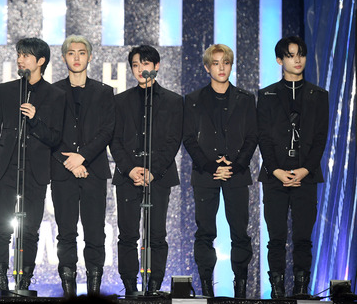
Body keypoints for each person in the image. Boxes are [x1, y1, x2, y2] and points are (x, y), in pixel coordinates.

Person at [0, 37, 66, 295]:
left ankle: (23, 283)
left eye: (26, 55)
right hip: (6, 168)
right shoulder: (5, 90)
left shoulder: (55, 95)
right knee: (1, 228)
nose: (20, 59)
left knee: (29, 231)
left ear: (40, 61)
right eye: (19, 54)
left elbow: (55, 137)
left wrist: (35, 119)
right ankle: (0, 283)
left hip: (36, 171)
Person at [182, 44, 256, 298]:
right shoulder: (192, 100)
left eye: (225, 62)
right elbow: (189, 139)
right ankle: (206, 289)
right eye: (216, 63)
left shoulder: (246, 99)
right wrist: (212, 166)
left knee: (240, 232)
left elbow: (252, 137)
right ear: (207, 67)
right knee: (205, 232)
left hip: (237, 174)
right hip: (206, 174)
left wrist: (234, 166)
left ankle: (241, 289)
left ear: (231, 65)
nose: (221, 67)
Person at [257, 36, 328, 299]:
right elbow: (263, 136)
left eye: (300, 54)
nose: (297, 60)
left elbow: (321, 137)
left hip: (306, 176)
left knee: (302, 238)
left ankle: (301, 290)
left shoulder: (319, 95)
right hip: (275, 176)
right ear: (280, 60)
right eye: (290, 55)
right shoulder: (266, 95)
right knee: (276, 238)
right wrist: (276, 170)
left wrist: (305, 170)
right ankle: (277, 290)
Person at [110, 45, 183, 295]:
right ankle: (130, 286)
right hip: (127, 176)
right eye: (136, 65)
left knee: (156, 235)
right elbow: (114, 140)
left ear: (157, 66)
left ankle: (153, 286)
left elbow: (174, 140)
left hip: (159, 177)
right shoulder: (119, 101)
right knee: (128, 234)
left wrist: (152, 171)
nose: (141, 69)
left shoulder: (174, 101)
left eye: (146, 63)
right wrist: (130, 169)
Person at [51, 35, 115, 297]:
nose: (76, 57)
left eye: (81, 53)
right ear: (64, 57)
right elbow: (47, 133)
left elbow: (107, 130)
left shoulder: (104, 91)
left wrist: (83, 157)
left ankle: (94, 292)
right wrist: (70, 161)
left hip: (94, 171)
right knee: (65, 233)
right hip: (63, 172)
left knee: (95, 233)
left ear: (90, 57)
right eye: (71, 53)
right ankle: (68, 293)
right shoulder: (52, 92)